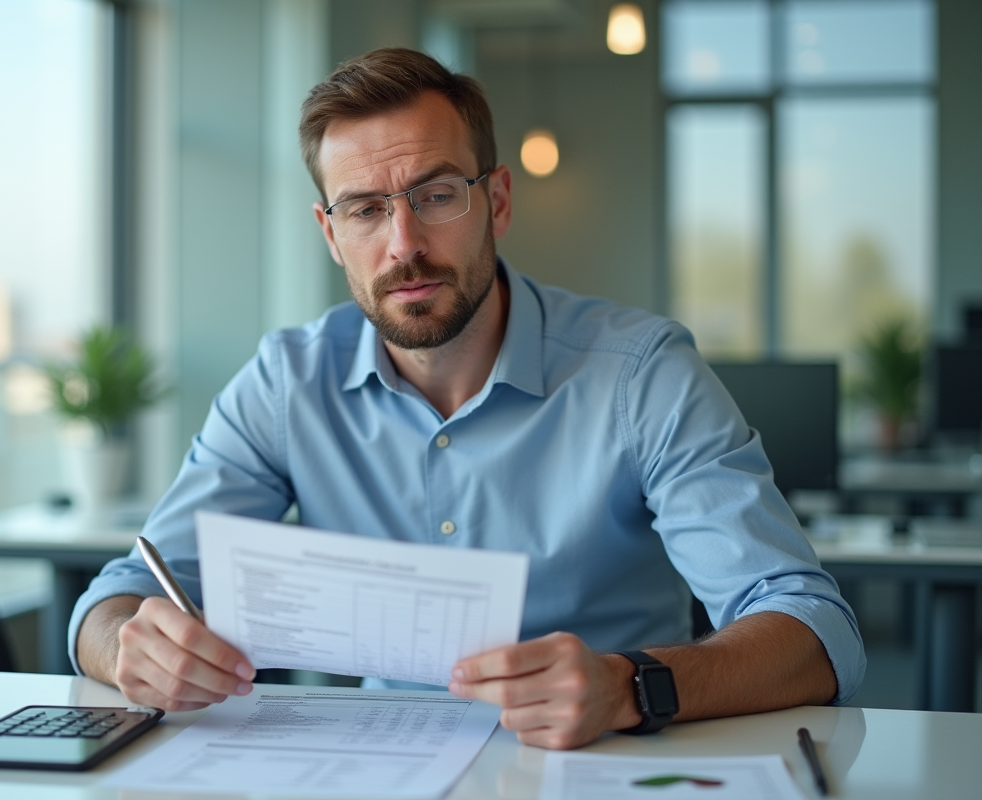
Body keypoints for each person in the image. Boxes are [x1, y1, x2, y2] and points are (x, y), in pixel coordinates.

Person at [70, 48, 864, 750]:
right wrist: (128, 647)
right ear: (330, 233)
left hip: (608, 766)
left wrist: (630, 686)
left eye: (437, 194)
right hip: (378, 768)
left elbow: (814, 631)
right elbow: (117, 600)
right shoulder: (286, 382)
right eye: (365, 209)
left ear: (499, 201)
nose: (404, 242)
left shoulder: (640, 374)